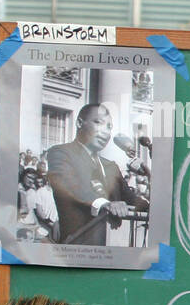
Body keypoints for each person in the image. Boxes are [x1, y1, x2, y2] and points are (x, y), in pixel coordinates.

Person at [45, 103, 148, 245]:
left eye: (109, 127)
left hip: (115, 248)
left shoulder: (111, 167)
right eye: (98, 122)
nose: (105, 132)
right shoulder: (61, 153)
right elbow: (68, 186)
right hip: (76, 249)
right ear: (80, 123)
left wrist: (153, 205)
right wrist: (105, 204)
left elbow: (131, 200)